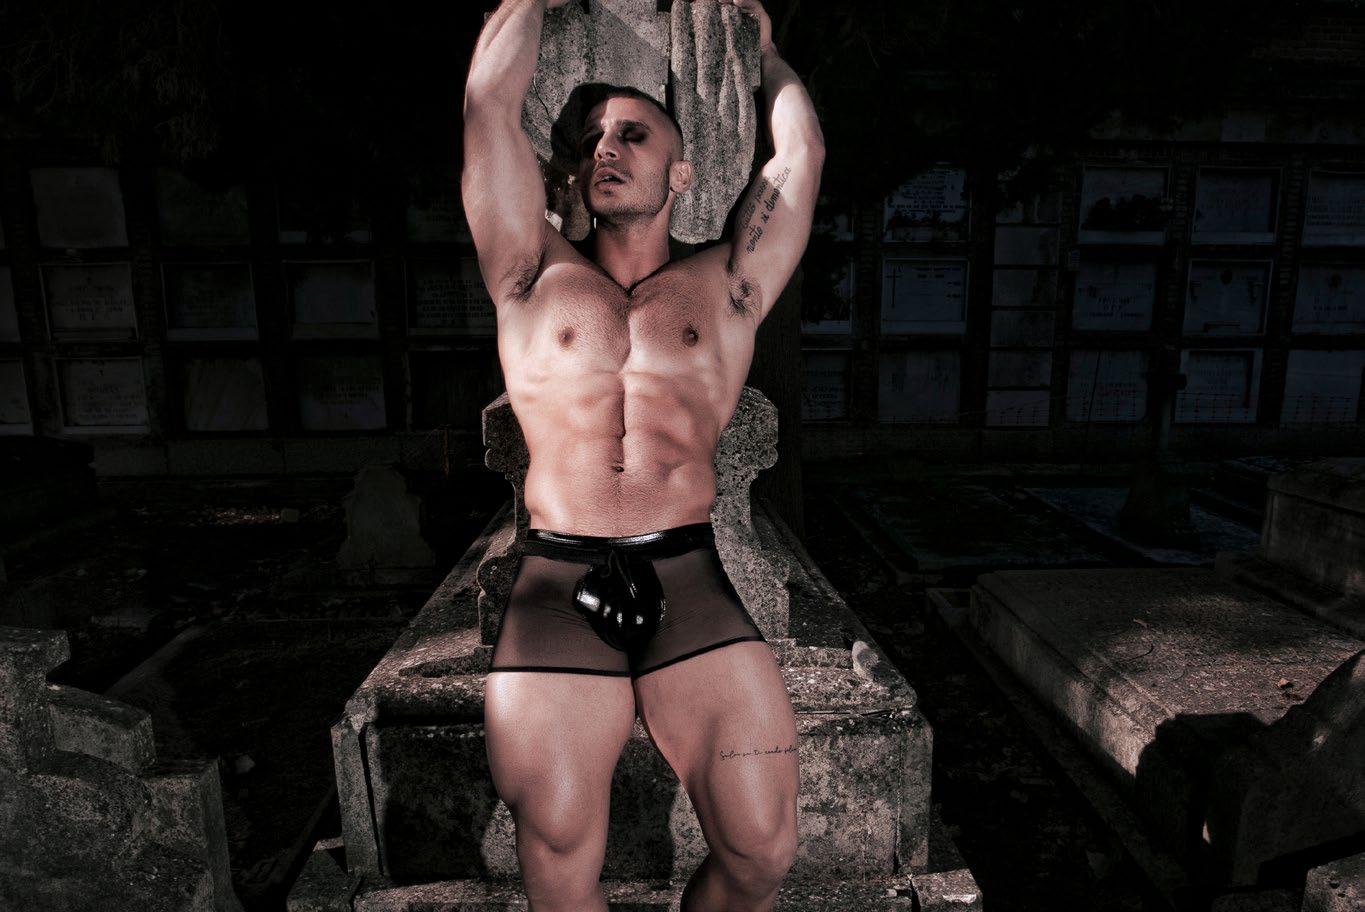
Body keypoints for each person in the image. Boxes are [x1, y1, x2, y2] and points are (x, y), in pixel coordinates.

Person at [460, 0, 824, 908]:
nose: (605, 150)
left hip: (685, 578)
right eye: (590, 139)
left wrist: (765, 55)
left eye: (632, 134)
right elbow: (487, 107)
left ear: (682, 171)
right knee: (556, 849)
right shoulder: (527, 269)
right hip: (557, 583)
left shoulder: (728, 283)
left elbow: (799, 156)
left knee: (761, 849)